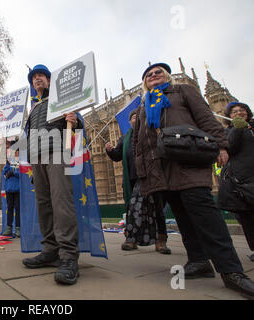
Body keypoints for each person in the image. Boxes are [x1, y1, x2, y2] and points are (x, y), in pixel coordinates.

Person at [132, 62, 254, 299]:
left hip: (188, 159)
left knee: (206, 216)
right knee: (181, 215)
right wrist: (142, 167)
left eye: (158, 72)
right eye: (149, 74)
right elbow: (140, 140)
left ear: (168, 76)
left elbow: (206, 117)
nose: (153, 75)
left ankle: (232, 271)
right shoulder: (145, 105)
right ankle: (199, 260)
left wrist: (221, 145)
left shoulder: (183, 92)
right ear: (144, 83)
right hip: (161, 167)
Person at [21, 64, 83, 285]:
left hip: (57, 154)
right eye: (34, 77)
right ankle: (50, 250)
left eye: (41, 76)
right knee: (44, 204)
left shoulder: (61, 98)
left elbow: (78, 122)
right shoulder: (34, 107)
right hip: (36, 159)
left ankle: (68, 257)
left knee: (61, 203)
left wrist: (76, 120)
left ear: (49, 80)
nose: (37, 79)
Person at [106, 109, 171, 254]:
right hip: (133, 178)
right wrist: (110, 150)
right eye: (132, 118)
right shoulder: (125, 137)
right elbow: (117, 156)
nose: (135, 119)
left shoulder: (151, 131)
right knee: (133, 208)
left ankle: (161, 240)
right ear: (129, 121)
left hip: (152, 175)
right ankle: (131, 239)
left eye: (137, 117)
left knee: (158, 209)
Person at [218, 102, 254, 262]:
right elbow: (230, 148)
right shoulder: (228, 132)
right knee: (246, 217)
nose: (239, 113)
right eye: (234, 111)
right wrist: (238, 129)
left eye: (242, 110)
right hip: (241, 179)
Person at [2, 144, 21, 237]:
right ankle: (9, 228)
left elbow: (23, 173)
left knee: (18, 209)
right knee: (9, 208)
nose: (15, 153)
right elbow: (4, 172)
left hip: (18, 189)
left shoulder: (22, 161)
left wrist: (13, 173)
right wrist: (7, 172)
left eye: (17, 151)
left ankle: (18, 228)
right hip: (9, 188)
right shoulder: (9, 161)